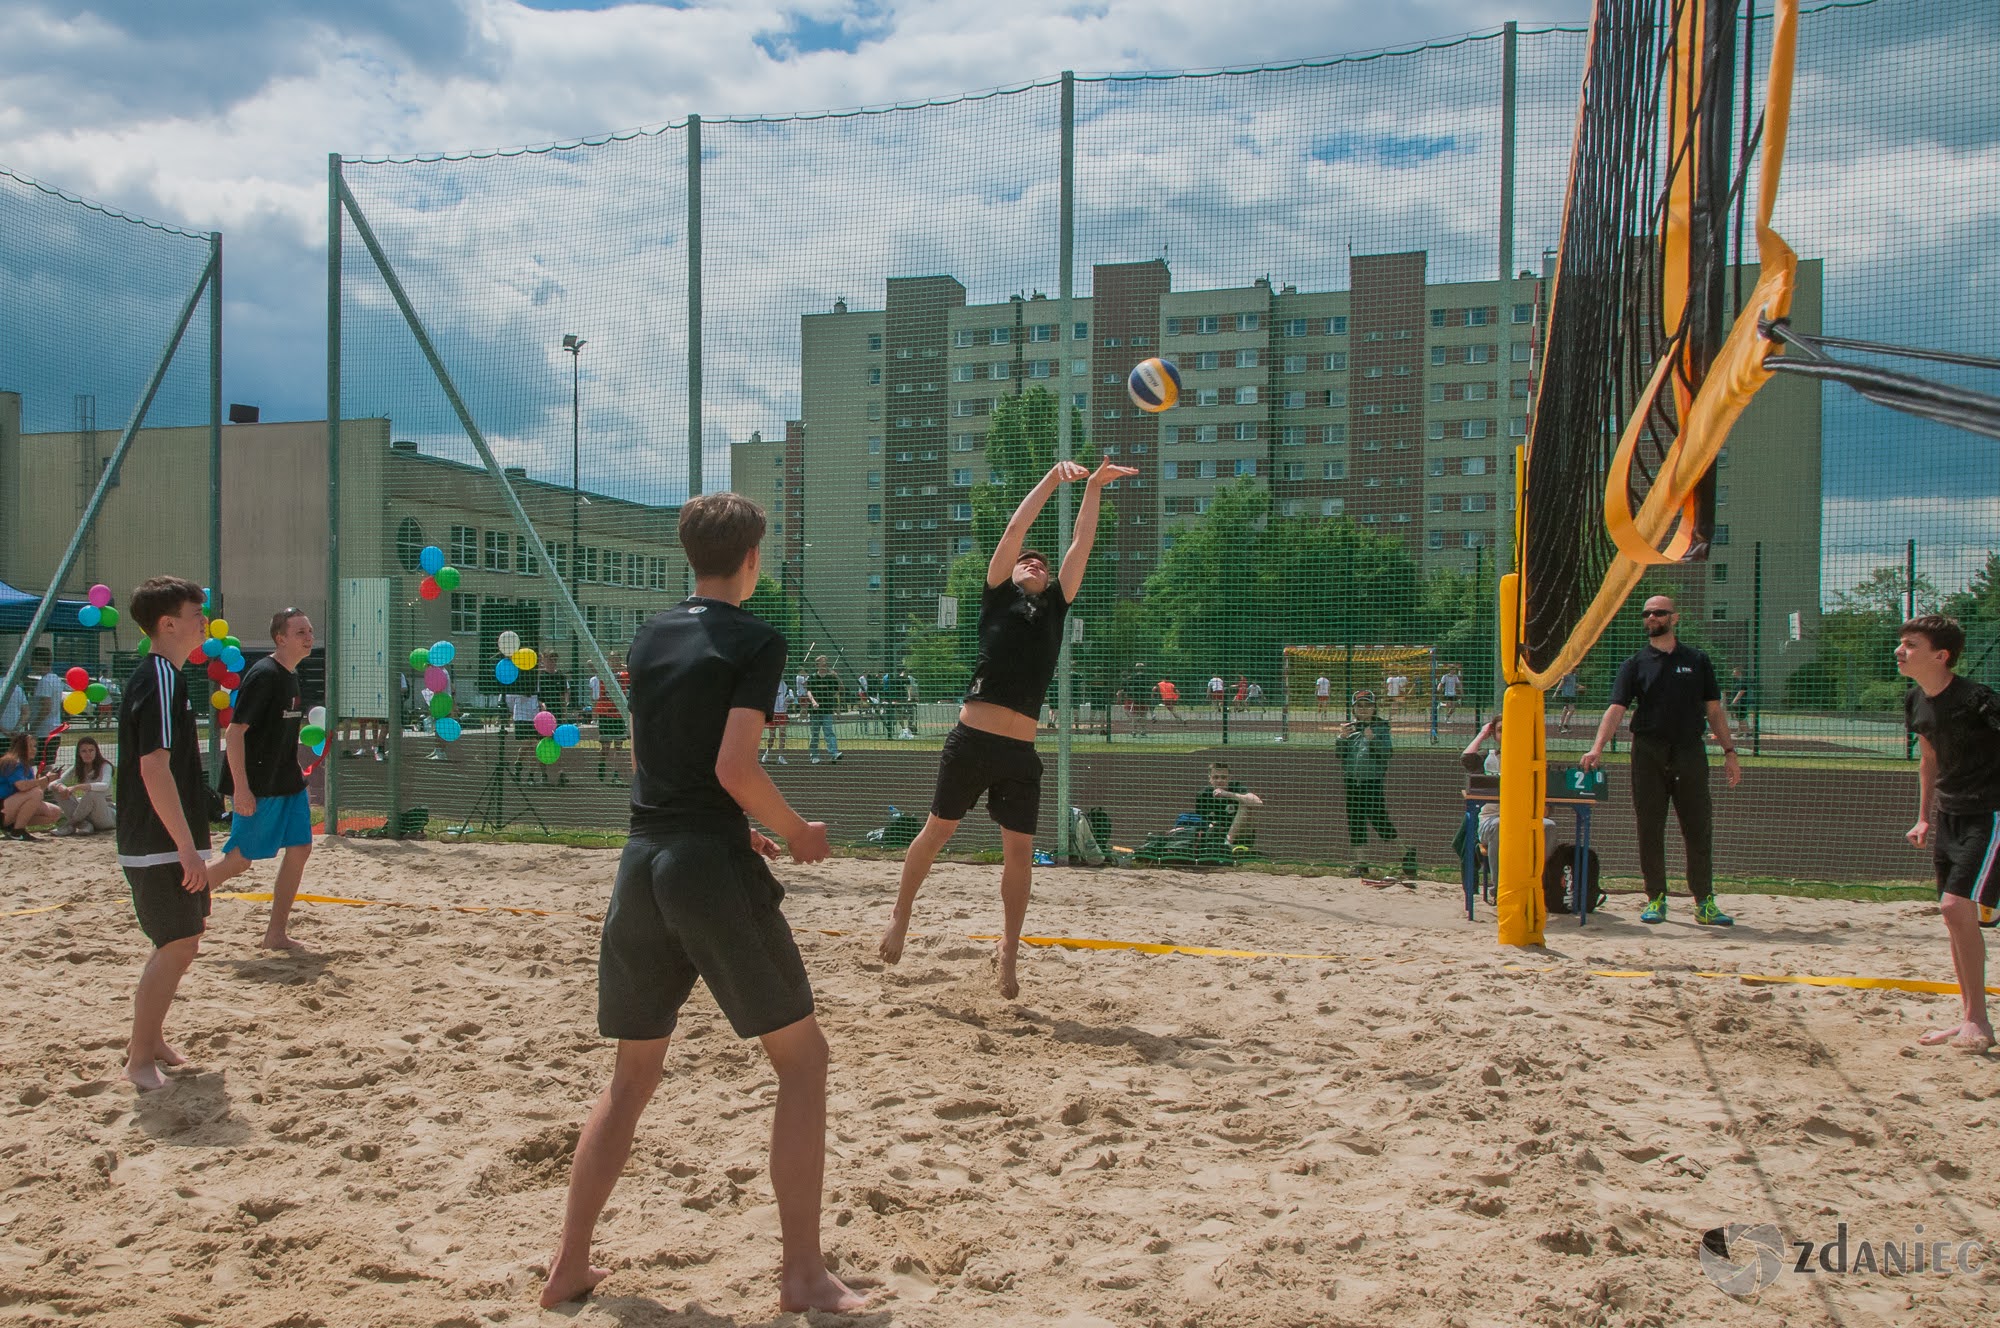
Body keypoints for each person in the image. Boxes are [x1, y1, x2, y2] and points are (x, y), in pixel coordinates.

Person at [539, 492, 861, 1314]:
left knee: (632, 1075)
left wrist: (726, 825)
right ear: (752, 559)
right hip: (705, 870)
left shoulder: (650, 635)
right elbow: (734, 767)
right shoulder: (757, 638)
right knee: (804, 1062)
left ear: (691, 556)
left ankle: (569, 1265)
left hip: (641, 862)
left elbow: (653, 756)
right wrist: (792, 831)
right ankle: (801, 1275)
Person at [878, 457, 1135, 998]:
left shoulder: (1059, 606)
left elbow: (1080, 545)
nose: (1035, 563)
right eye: (1027, 562)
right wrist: (1050, 479)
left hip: (1020, 754)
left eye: (1041, 564)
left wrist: (1093, 489)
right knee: (938, 832)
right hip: (971, 742)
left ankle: (1008, 951)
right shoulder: (997, 594)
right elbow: (1017, 529)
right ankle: (901, 914)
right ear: (1011, 571)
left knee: (1019, 855)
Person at [1581, 594, 1742, 926]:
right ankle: (1655, 897)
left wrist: (1730, 752)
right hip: (1648, 752)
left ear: (1674, 618)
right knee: (1650, 827)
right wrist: (1597, 747)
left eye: (1658, 613)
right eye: (1647, 614)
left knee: (1698, 827)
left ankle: (1705, 902)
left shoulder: (1698, 660)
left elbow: (1714, 710)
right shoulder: (1634, 664)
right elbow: (1616, 710)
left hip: (1688, 751)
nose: (1651, 618)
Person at [116, 576, 213, 1092]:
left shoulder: (166, 676)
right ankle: (138, 1059)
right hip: (156, 843)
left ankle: (150, 1042)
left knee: (185, 941)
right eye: (196, 613)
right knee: (176, 943)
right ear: (168, 623)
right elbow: (154, 768)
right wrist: (183, 848)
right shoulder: (159, 678)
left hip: (164, 839)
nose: (204, 620)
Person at [1896, 614, 1999, 1053]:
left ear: (1941, 655)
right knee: (1954, 916)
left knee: (1957, 908)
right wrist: (1923, 816)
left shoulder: (1979, 700)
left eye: (1911, 644)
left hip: (1990, 814)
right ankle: (1971, 1019)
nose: (1900, 650)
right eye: (1901, 642)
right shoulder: (1916, 700)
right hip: (1950, 816)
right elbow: (1929, 761)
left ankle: (1977, 1020)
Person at [207, 609, 316, 950]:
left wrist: (293, 765)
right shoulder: (265, 675)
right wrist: (241, 788)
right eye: (300, 631)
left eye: (310, 630)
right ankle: (179, 896)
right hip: (259, 785)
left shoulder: (291, 675)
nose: (309, 636)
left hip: (287, 781)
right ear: (280, 638)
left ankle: (275, 934)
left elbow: (278, 735)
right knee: (239, 860)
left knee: (300, 848)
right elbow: (235, 733)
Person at [1463, 716, 1552, 868]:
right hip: (1492, 819)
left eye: (1512, 729)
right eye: (1501, 730)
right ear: (1494, 735)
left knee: (1549, 826)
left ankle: (1542, 883)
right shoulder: (1488, 758)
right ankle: (1498, 888)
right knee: (1500, 825)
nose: (1507, 733)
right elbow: (1467, 759)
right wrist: (1482, 734)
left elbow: (1546, 810)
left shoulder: (1534, 762)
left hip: (1525, 819)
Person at [1335, 690, 1398, 859]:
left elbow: (1386, 754)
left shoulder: (1381, 728)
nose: (1363, 709)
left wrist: (1372, 740)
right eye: (1359, 706)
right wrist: (1341, 738)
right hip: (1352, 782)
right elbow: (1340, 754)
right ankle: (1360, 863)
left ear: (1374, 708)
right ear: (1354, 709)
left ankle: (1405, 854)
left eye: (1368, 705)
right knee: (1355, 823)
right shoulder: (1350, 729)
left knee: (1380, 821)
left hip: (1372, 782)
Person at [50, 734, 115, 835]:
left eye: (91, 750)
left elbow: (104, 785)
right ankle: (84, 825)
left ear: (96, 752)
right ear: (79, 753)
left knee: (93, 793)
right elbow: (53, 784)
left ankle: (69, 825)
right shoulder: (78, 767)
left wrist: (77, 787)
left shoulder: (105, 766)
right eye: (84, 751)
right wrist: (61, 787)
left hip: (104, 813)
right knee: (57, 790)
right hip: (86, 813)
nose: (87, 754)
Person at [2, 732, 62, 838]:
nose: (34, 749)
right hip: (3, 807)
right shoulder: (12, 762)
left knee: (55, 812)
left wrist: (49, 779)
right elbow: (22, 786)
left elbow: (36, 793)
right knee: (36, 793)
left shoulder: (26, 766)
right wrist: (46, 778)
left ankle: (12, 827)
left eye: (35, 746)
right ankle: (18, 831)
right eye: (30, 746)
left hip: (12, 806)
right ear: (21, 747)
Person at [1196, 760, 1263, 850]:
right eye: (1215, 777)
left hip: (1242, 835)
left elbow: (1258, 802)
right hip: (1217, 834)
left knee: (1246, 805)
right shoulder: (1203, 795)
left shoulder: (1236, 787)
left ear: (1229, 778)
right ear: (1210, 779)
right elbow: (1202, 820)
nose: (1219, 780)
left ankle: (1227, 844)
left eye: (1223, 777)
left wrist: (1227, 794)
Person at [592, 656, 631, 781]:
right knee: (605, 747)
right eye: (612, 660)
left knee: (618, 746)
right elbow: (590, 663)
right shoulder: (604, 674)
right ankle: (602, 765)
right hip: (605, 715)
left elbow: (634, 671)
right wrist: (606, 666)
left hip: (619, 715)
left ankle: (616, 775)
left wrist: (623, 667)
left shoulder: (623, 675)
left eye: (617, 660)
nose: (614, 662)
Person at [802, 656, 843, 764]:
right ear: (817, 665)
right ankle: (814, 756)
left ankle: (834, 753)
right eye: (822, 662)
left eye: (826, 662)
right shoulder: (813, 677)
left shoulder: (830, 677)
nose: (825, 664)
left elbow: (840, 688)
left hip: (827, 709)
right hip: (815, 710)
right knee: (815, 733)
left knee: (829, 732)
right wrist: (813, 702)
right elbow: (809, 691)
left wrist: (837, 677)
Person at [30, 649, 66, 770]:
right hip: (54, 728)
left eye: (32, 661)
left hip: (44, 730)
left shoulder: (44, 682)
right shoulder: (56, 679)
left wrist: (33, 727)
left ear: (37, 661)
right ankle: (48, 787)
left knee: (40, 764)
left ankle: (44, 787)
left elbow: (46, 707)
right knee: (47, 764)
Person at [761, 675, 792, 765]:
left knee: (782, 733)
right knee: (772, 736)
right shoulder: (771, 684)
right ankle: (767, 752)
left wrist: (789, 700)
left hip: (782, 712)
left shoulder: (786, 685)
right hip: (773, 712)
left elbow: (790, 697)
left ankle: (780, 756)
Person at [1557, 669, 1581, 734]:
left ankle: (1560, 726)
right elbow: (1561, 684)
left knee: (1565, 710)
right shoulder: (1566, 675)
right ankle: (1566, 723)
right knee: (1572, 709)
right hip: (1567, 695)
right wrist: (1556, 692)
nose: (1577, 670)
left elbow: (1572, 683)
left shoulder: (1574, 676)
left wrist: (1579, 686)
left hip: (1571, 695)